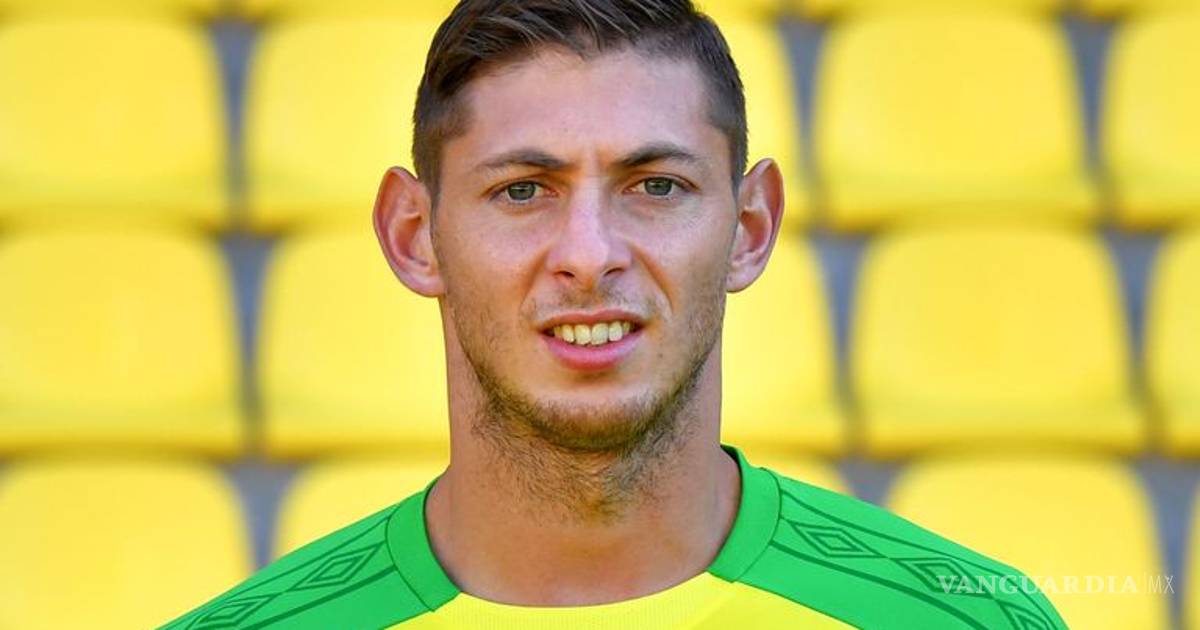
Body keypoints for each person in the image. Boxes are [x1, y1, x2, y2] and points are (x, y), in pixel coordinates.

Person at [162, 1, 1067, 627]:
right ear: (414, 236)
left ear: (751, 227)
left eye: (656, 185)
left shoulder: (961, 618)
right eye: (523, 190)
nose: (590, 254)